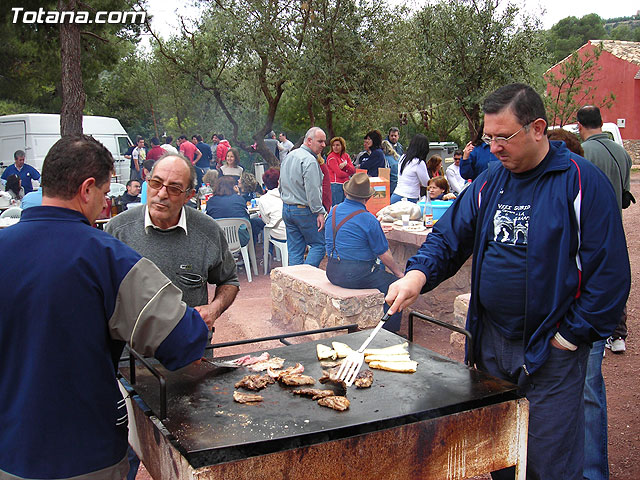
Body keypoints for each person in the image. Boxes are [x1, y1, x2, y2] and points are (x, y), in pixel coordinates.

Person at [386, 83, 630, 480]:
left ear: (537, 128)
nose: (494, 147)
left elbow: (611, 276)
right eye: (489, 137)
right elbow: (450, 238)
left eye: (504, 137)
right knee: (500, 449)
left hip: (552, 347)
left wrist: (568, 338)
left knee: (548, 460)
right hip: (492, 342)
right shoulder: (490, 182)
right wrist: (417, 274)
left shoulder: (581, 182)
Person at [0, 135, 210, 480]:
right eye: (104, 192)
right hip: (84, 456)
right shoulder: (107, 257)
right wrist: (199, 323)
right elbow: (181, 338)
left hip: (7, 451)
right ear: (86, 189)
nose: (105, 201)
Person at [106, 153, 239, 322]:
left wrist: (214, 309)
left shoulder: (208, 231)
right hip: (131, 347)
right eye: (156, 183)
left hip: (190, 345)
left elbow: (229, 280)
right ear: (147, 182)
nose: (161, 194)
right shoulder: (118, 231)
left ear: (189, 196)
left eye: (174, 189)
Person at [577, 105, 633, 480]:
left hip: (591, 232)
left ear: (581, 126)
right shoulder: (623, 151)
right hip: (613, 231)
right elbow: (626, 195)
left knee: (587, 389)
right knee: (613, 280)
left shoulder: (587, 155)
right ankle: (617, 332)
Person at [325, 173, 405, 331]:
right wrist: (399, 274)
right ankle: (391, 332)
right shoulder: (368, 219)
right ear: (367, 198)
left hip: (332, 270)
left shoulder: (333, 211)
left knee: (379, 272)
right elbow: (384, 254)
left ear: (347, 193)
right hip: (355, 275)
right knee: (394, 285)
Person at [279, 126, 327, 267]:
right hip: (304, 210)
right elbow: (313, 190)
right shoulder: (310, 161)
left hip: (287, 208)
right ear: (309, 141)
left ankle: (295, 282)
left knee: (295, 251)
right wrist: (319, 211)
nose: (323, 145)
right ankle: (306, 276)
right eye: (320, 141)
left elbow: (280, 184)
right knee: (319, 244)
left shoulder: (289, 156)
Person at [205, 175, 252, 247]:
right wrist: (238, 194)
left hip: (218, 240)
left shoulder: (211, 201)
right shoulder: (239, 199)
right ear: (233, 187)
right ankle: (249, 254)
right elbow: (246, 217)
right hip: (240, 239)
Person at [390, 133, 430, 204]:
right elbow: (426, 183)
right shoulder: (419, 163)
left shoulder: (403, 157)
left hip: (396, 195)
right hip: (409, 198)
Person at [258, 167, 286, 243]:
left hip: (277, 234)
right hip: (294, 232)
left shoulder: (263, 199)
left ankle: (268, 253)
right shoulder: (288, 195)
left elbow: (266, 220)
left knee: (266, 228)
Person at [326, 136, 356, 206]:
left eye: (338, 145)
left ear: (342, 146)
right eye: (333, 145)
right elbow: (339, 174)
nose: (335, 147)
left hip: (346, 185)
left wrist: (346, 165)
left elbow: (353, 170)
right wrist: (348, 173)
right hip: (336, 185)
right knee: (337, 207)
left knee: (346, 206)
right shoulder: (331, 157)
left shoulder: (346, 156)